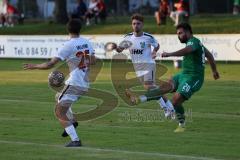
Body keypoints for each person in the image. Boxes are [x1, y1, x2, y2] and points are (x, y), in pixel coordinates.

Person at [125, 23, 220, 132]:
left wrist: (170, 54)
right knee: (162, 88)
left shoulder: (193, 42)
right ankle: (138, 99)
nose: (178, 36)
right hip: (183, 75)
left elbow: (188, 50)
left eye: (180, 33)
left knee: (175, 100)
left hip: (194, 78)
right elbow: (210, 56)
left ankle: (182, 124)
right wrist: (214, 71)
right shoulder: (197, 43)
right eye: (177, 34)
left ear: (188, 32)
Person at [23, 19, 96, 147]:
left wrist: (34, 66)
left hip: (75, 83)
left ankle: (75, 140)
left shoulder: (68, 45)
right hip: (84, 82)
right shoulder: (87, 42)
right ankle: (72, 122)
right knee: (58, 97)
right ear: (80, 29)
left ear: (67, 30)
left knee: (59, 112)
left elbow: (50, 64)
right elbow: (93, 61)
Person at [114, 13, 175, 118]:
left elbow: (157, 45)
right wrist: (115, 47)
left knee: (148, 86)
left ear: (142, 25)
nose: (136, 25)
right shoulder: (128, 38)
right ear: (131, 25)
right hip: (137, 68)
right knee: (151, 89)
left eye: (138, 23)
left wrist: (154, 52)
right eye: (134, 24)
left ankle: (170, 108)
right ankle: (167, 109)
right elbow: (120, 49)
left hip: (149, 64)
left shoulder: (148, 37)